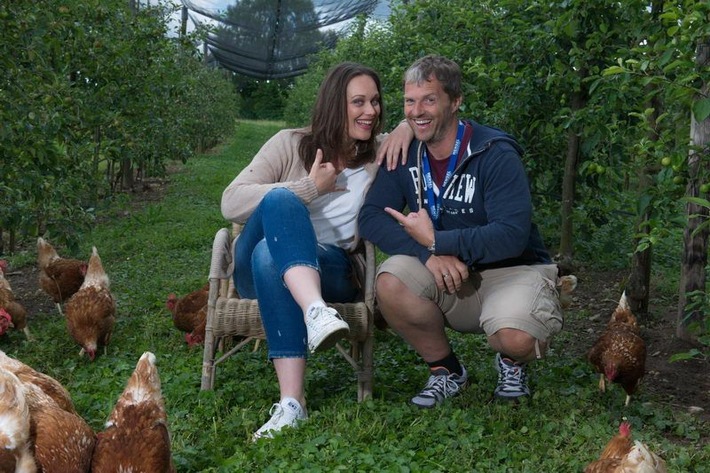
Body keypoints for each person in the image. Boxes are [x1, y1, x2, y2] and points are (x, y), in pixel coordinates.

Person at [359, 55, 564, 407]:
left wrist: (439, 240)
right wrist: (428, 254)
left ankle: (512, 362)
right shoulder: (406, 153)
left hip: (512, 271)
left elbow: (512, 234)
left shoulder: (494, 152)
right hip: (448, 274)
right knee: (391, 281)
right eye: (410, 101)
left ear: (455, 101)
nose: (417, 110)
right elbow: (371, 216)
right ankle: (446, 371)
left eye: (429, 99)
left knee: (516, 338)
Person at [221, 62, 401, 440]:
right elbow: (231, 201)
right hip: (252, 274)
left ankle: (292, 403)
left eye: (376, 101)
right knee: (281, 201)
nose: (371, 111)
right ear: (335, 105)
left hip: (332, 266)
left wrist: (402, 128)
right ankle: (315, 311)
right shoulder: (289, 142)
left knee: (270, 258)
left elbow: (427, 126)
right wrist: (307, 188)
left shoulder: (380, 154)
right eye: (358, 102)